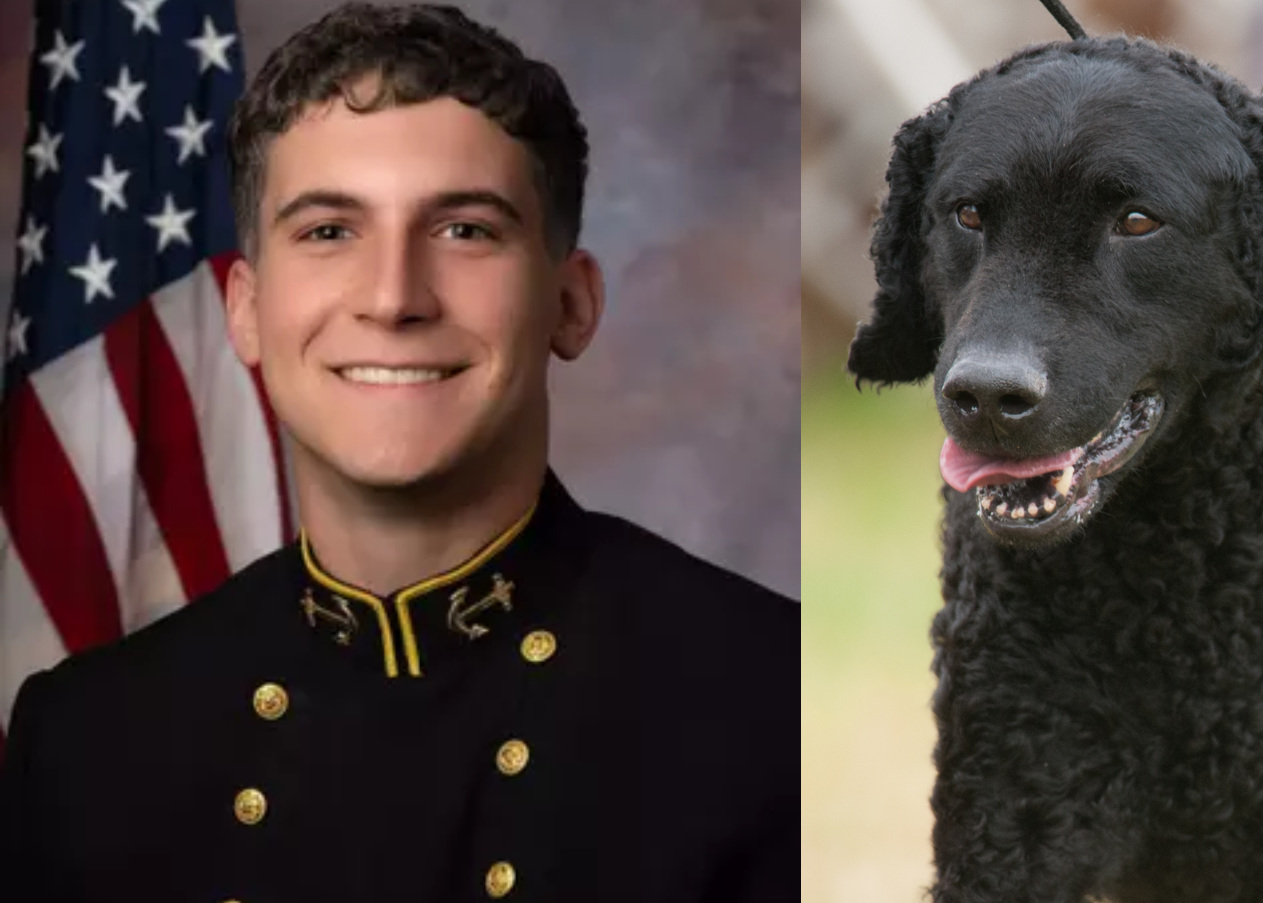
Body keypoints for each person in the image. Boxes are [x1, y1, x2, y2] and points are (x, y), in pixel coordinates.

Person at [0, 4, 796, 901]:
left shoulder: (776, 702)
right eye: (329, 231)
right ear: (246, 313)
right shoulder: (83, 743)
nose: (393, 298)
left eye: (465, 229)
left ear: (570, 305)